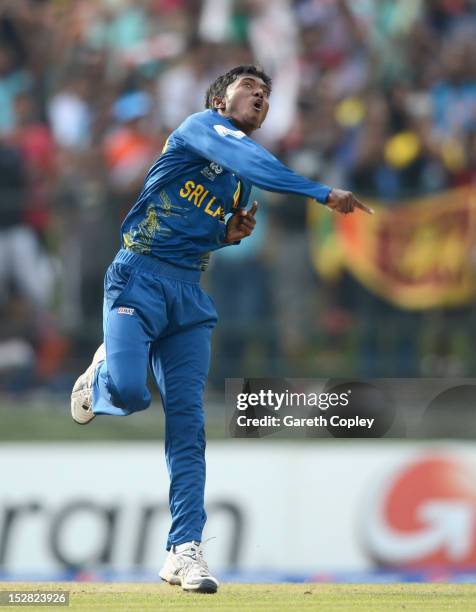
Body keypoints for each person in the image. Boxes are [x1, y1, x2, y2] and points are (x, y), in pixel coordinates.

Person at [70, 65, 372, 594]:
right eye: (249, 88)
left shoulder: (240, 178)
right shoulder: (198, 128)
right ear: (218, 99)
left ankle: (184, 551)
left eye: (266, 95)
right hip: (138, 278)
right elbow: (250, 157)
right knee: (130, 393)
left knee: (189, 426)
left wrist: (227, 236)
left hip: (188, 295)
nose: (260, 97)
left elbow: (205, 230)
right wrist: (321, 192)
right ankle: (101, 376)